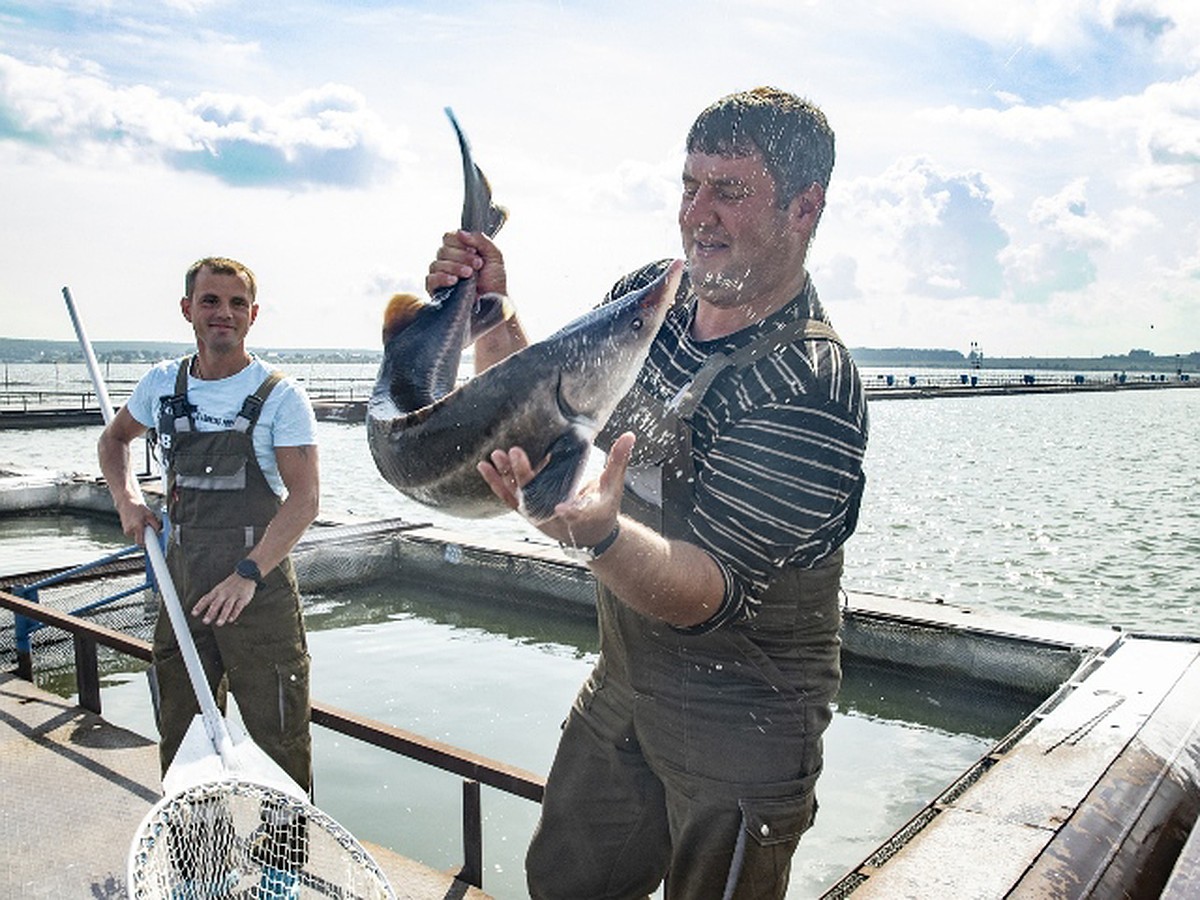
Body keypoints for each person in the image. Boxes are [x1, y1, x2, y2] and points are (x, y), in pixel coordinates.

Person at [427, 86, 869, 898]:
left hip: (748, 721)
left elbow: (711, 593)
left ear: (805, 207)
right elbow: (547, 411)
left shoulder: (808, 383)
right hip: (626, 683)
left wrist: (598, 535)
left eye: (729, 190)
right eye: (689, 185)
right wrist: (488, 302)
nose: (697, 213)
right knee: (564, 882)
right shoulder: (653, 294)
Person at [98, 256, 320, 794]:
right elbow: (113, 441)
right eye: (211, 301)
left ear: (253, 315)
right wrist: (128, 502)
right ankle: (195, 865)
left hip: (256, 594)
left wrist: (247, 574)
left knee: (280, 737)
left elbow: (305, 500)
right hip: (184, 587)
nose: (224, 313)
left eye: (236, 303)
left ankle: (279, 869)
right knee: (181, 731)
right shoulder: (162, 385)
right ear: (188, 310)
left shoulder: (281, 397)